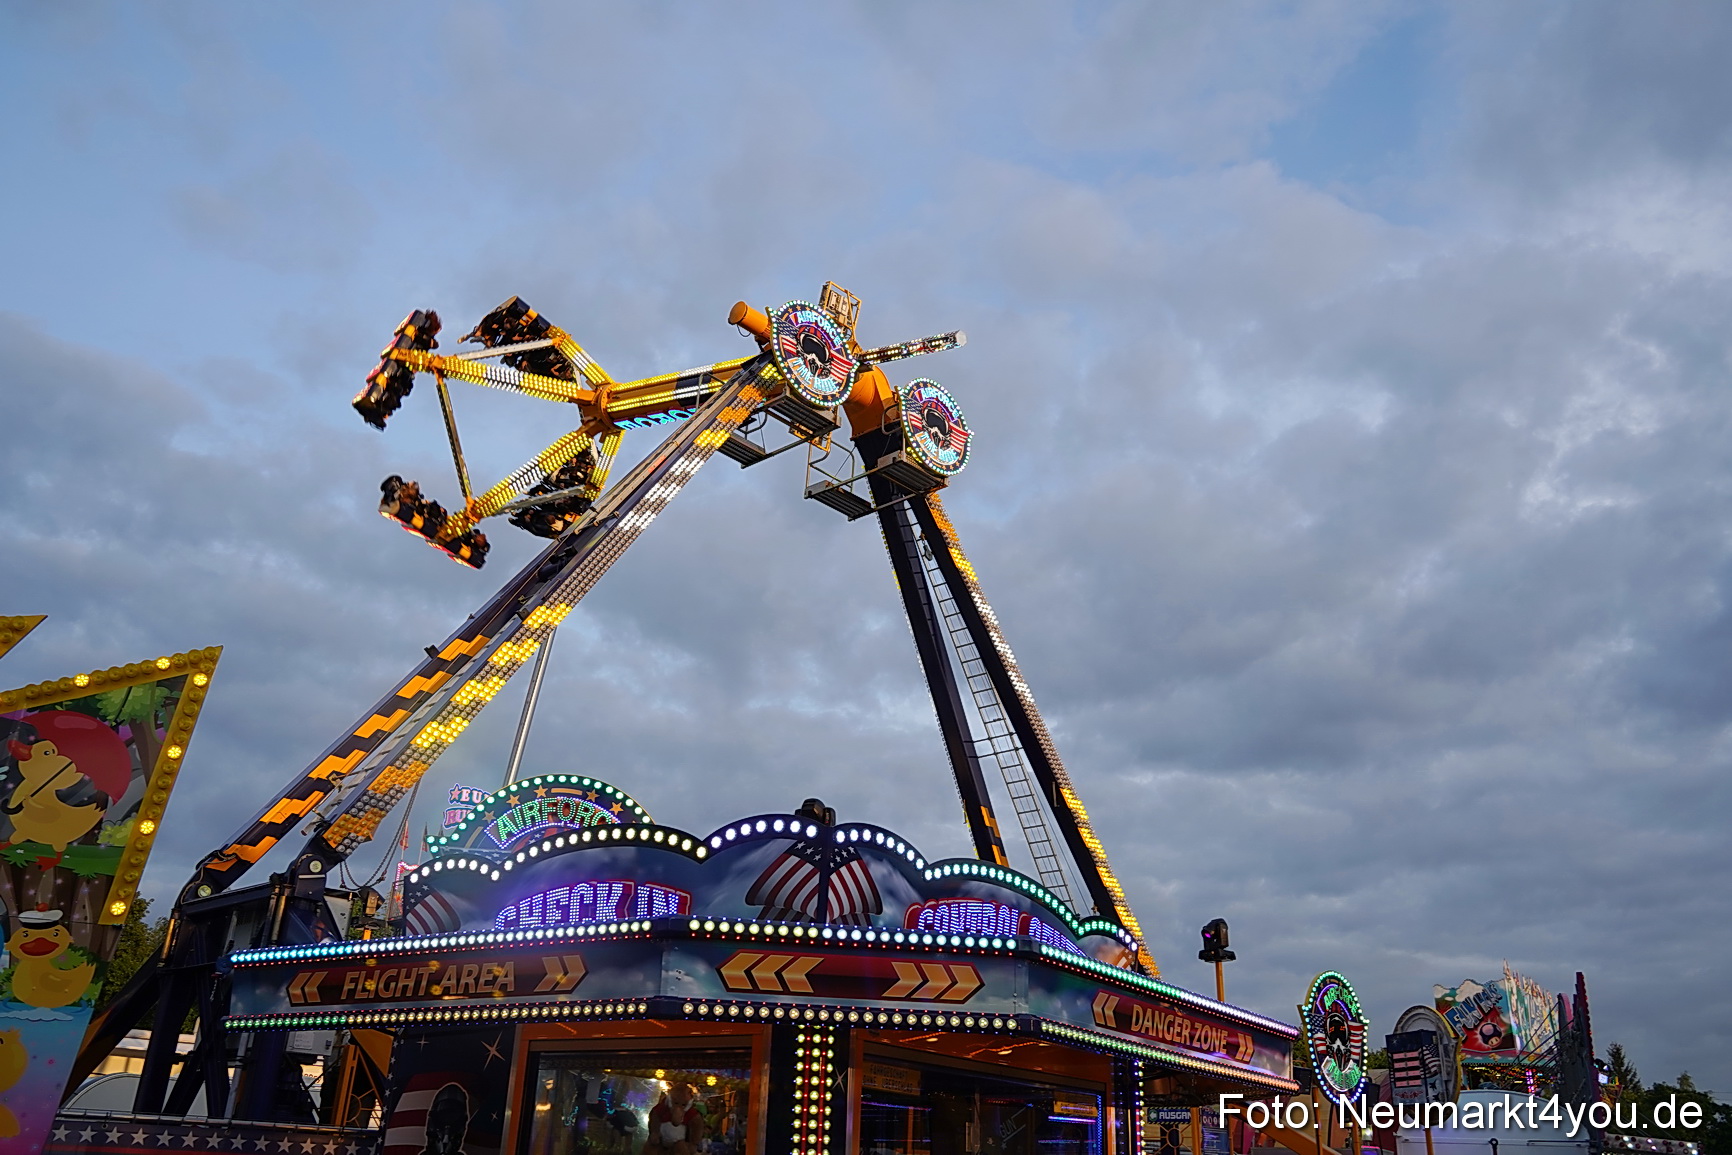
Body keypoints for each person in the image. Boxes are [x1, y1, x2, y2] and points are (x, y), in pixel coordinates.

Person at [642, 1083, 704, 1155]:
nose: (678, 1107)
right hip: (661, 1139)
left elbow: (696, 1128)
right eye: (676, 1103)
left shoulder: (692, 1114)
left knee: (680, 1148)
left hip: (680, 1142)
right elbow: (655, 1119)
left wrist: (693, 1143)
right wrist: (654, 1133)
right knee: (651, 1147)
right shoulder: (662, 1109)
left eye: (683, 1105)